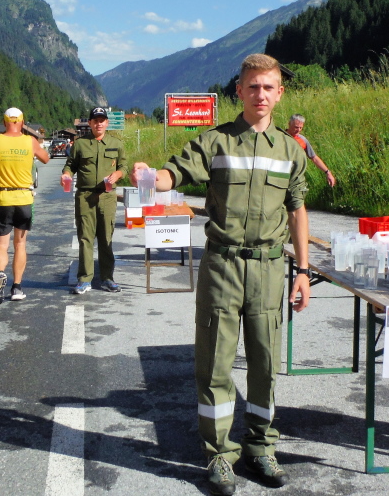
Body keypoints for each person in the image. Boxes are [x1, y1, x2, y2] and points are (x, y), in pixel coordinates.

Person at [131, 53, 311, 496]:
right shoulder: (215, 142)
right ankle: (219, 454)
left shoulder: (291, 151)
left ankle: (261, 448)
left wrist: (303, 270)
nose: (260, 94)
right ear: (239, 91)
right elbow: (175, 172)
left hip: (269, 268)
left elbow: (297, 210)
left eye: (268, 87)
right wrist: (152, 177)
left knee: (265, 365)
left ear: (280, 93)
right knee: (215, 364)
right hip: (223, 266)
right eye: (253, 86)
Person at [0, 107, 50, 304]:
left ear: (4, 122)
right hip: (24, 198)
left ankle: (0, 273)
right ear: (22, 122)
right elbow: (46, 158)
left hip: (2, 199)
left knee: (1, 245)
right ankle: (17, 287)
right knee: (20, 245)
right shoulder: (30, 141)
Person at [62, 107, 127, 294]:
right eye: (95, 120)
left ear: (107, 123)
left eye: (102, 120)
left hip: (107, 197)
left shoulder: (116, 143)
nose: (99, 124)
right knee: (85, 238)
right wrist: (66, 175)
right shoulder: (80, 144)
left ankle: (107, 278)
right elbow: (70, 165)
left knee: (106, 238)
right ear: (90, 123)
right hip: (85, 196)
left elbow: (124, 165)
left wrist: (118, 174)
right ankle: (84, 280)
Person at [286, 114, 336, 187]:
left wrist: (328, 172)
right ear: (289, 124)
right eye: (296, 127)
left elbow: (314, 158)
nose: (298, 130)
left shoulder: (303, 140)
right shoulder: (280, 136)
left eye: (301, 127)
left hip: (295, 178)